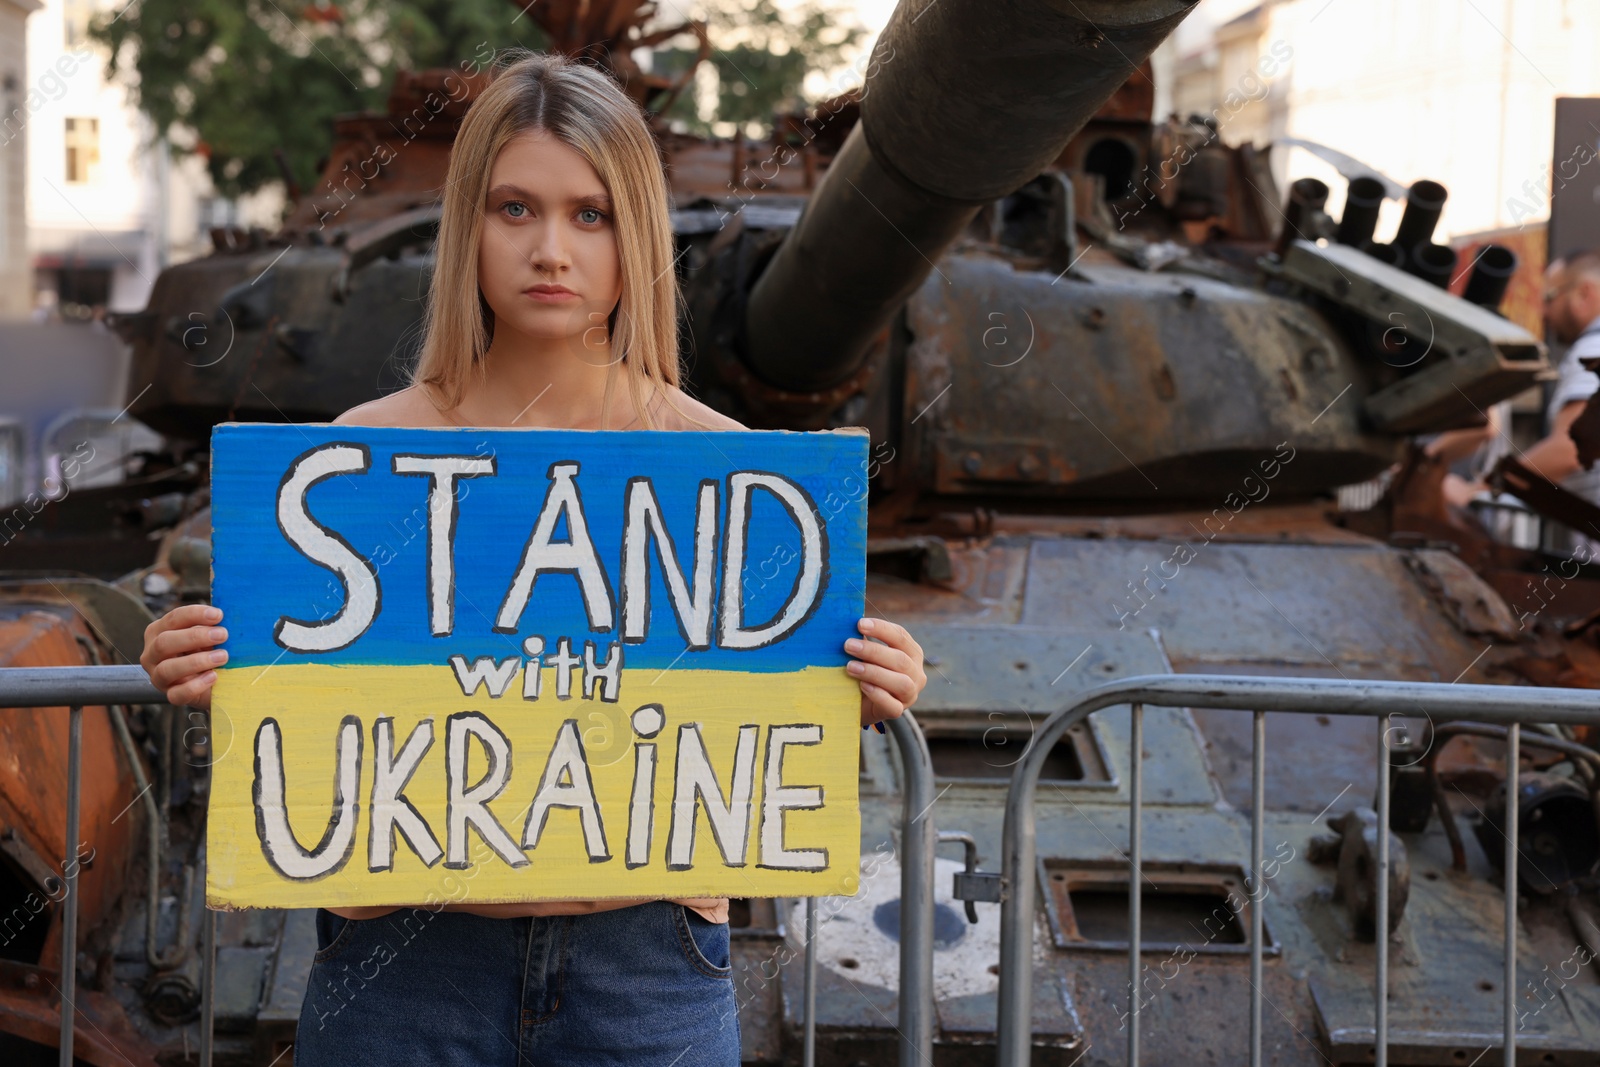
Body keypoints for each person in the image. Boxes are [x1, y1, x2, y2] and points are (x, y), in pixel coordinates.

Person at [138, 51, 928, 1067]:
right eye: (515, 209)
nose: (550, 248)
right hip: (404, 958)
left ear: (634, 234)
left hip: (646, 962)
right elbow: (306, 700)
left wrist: (864, 677)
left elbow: (772, 699)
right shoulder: (353, 463)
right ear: (466, 224)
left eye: (589, 214)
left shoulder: (737, 479)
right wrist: (208, 662)